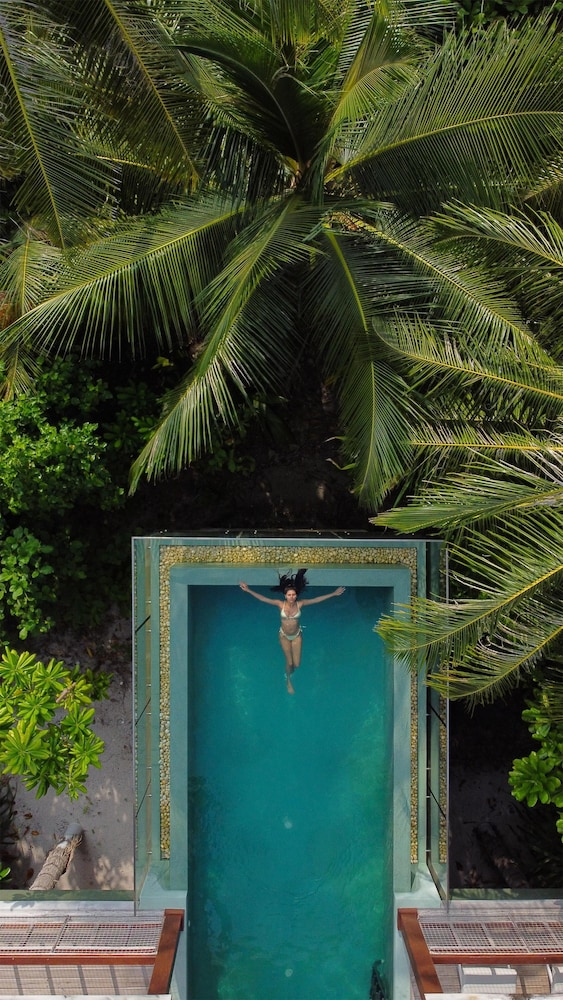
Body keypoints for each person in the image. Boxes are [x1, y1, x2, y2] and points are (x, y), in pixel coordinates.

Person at [239, 572, 345, 694]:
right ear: (285, 596)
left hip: (296, 636)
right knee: (289, 663)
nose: (291, 597)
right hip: (284, 636)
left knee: (297, 664)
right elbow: (264, 599)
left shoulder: (300, 604)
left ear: (296, 595)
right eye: (289, 595)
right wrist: (248, 590)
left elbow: (316, 600)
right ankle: (288, 679)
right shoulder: (280, 604)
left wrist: (333, 594)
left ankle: (290, 672)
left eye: (293, 594)